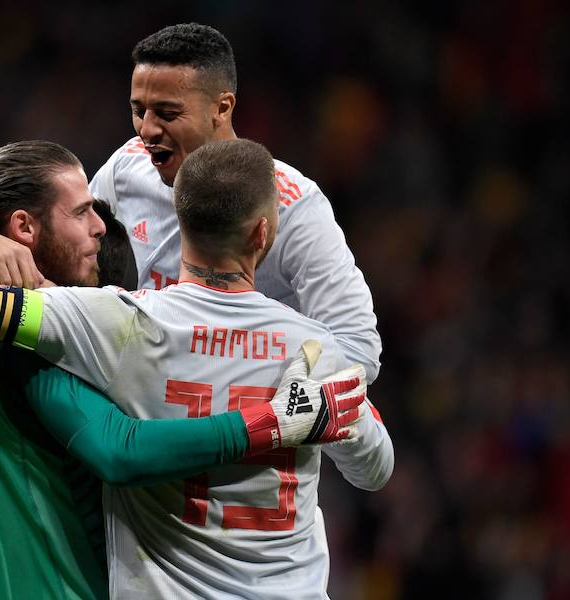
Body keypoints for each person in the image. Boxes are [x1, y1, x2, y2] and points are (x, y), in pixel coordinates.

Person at [0, 140, 364, 599]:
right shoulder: (34, 346)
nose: (99, 226)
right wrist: (266, 424)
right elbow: (120, 451)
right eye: (82, 211)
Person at [89, 22, 382, 384]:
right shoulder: (126, 168)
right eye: (139, 110)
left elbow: (357, 351)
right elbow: (66, 255)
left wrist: (254, 391)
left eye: (167, 114)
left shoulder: (291, 206)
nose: (146, 130)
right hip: (149, 403)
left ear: (222, 107)